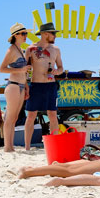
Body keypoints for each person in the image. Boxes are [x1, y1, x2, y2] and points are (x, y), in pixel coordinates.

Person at [23, 22, 64, 150]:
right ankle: (27, 147)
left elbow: (61, 67)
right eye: (53, 33)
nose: (55, 36)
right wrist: (25, 86)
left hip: (51, 85)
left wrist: (57, 71)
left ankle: (55, 145)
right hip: (35, 85)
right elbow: (25, 69)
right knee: (31, 116)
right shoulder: (31, 49)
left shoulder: (56, 50)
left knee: (52, 115)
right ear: (45, 34)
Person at [0, 23, 32, 152]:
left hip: (21, 86)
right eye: (23, 34)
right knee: (10, 118)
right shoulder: (11, 50)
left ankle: (10, 146)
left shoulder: (20, 50)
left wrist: (27, 87)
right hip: (13, 86)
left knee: (15, 118)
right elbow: (1, 69)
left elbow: (22, 72)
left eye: (26, 33)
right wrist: (21, 69)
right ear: (15, 35)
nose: (25, 36)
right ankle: (7, 147)